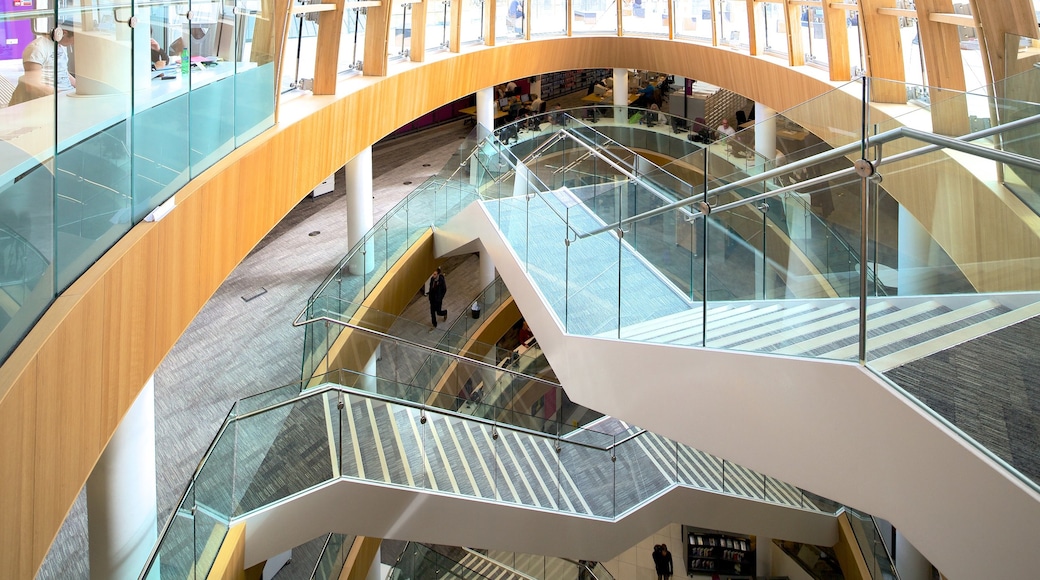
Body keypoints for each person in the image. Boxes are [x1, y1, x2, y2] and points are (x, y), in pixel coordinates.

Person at [22, 28, 75, 94]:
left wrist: (80, 87)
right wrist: (61, 94)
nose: (73, 44)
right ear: (64, 33)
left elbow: (63, 72)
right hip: (51, 96)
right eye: (75, 39)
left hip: (67, 92)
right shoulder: (37, 48)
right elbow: (32, 86)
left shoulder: (61, 45)